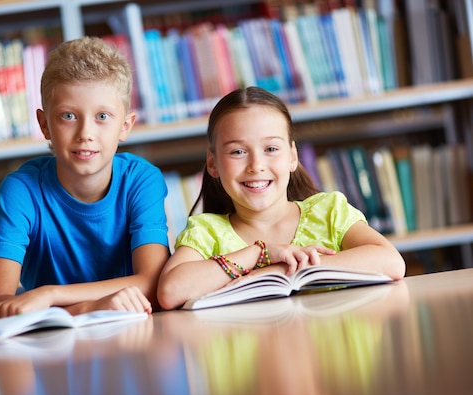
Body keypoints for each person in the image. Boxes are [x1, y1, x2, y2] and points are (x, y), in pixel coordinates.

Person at [157, 86, 406, 310]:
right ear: (213, 163)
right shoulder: (206, 232)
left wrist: (279, 271)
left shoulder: (328, 211)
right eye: (238, 151)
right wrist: (258, 254)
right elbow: (170, 291)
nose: (256, 165)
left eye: (271, 149)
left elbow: (392, 262)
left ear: (292, 156)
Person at [0, 36, 170, 321]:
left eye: (102, 116)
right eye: (68, 116)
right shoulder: (21, 191)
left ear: (125, 126)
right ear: (44, 124)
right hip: (51, 346)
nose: (85, 134)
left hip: (135, 336)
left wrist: (52, 295)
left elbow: (153, 286)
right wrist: (91, 307)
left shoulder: (142, 181)